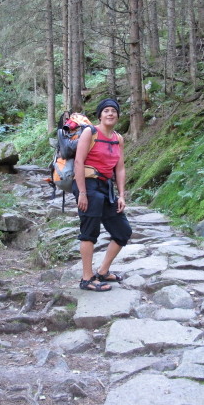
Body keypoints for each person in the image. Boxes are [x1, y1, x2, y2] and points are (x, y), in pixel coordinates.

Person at [72, 98, 132, 292]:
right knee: (90, 231)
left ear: (118, 116)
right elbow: (79, 162)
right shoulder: (90, 132)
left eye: (114, 111)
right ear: (100, 115)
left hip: (106, 187)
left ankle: (103, 271)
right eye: (106, 110)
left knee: (122, 231)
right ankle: (87, 278)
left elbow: (120, 168)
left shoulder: (118, 138)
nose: (110, 114)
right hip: (87, 185)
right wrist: (82, 192)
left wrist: (121, 195)